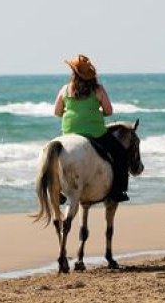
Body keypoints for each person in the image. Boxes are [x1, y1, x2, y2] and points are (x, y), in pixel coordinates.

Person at [54, 54, 129, 203]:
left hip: (69, 132)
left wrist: (72, 113)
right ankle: (117, 191)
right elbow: (109, 111)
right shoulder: (98, 89)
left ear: (73, 73)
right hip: (95, 133)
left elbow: (57, 112)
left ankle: (57, 190)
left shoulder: (65, 89)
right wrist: (93, 112)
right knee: (121, 153)